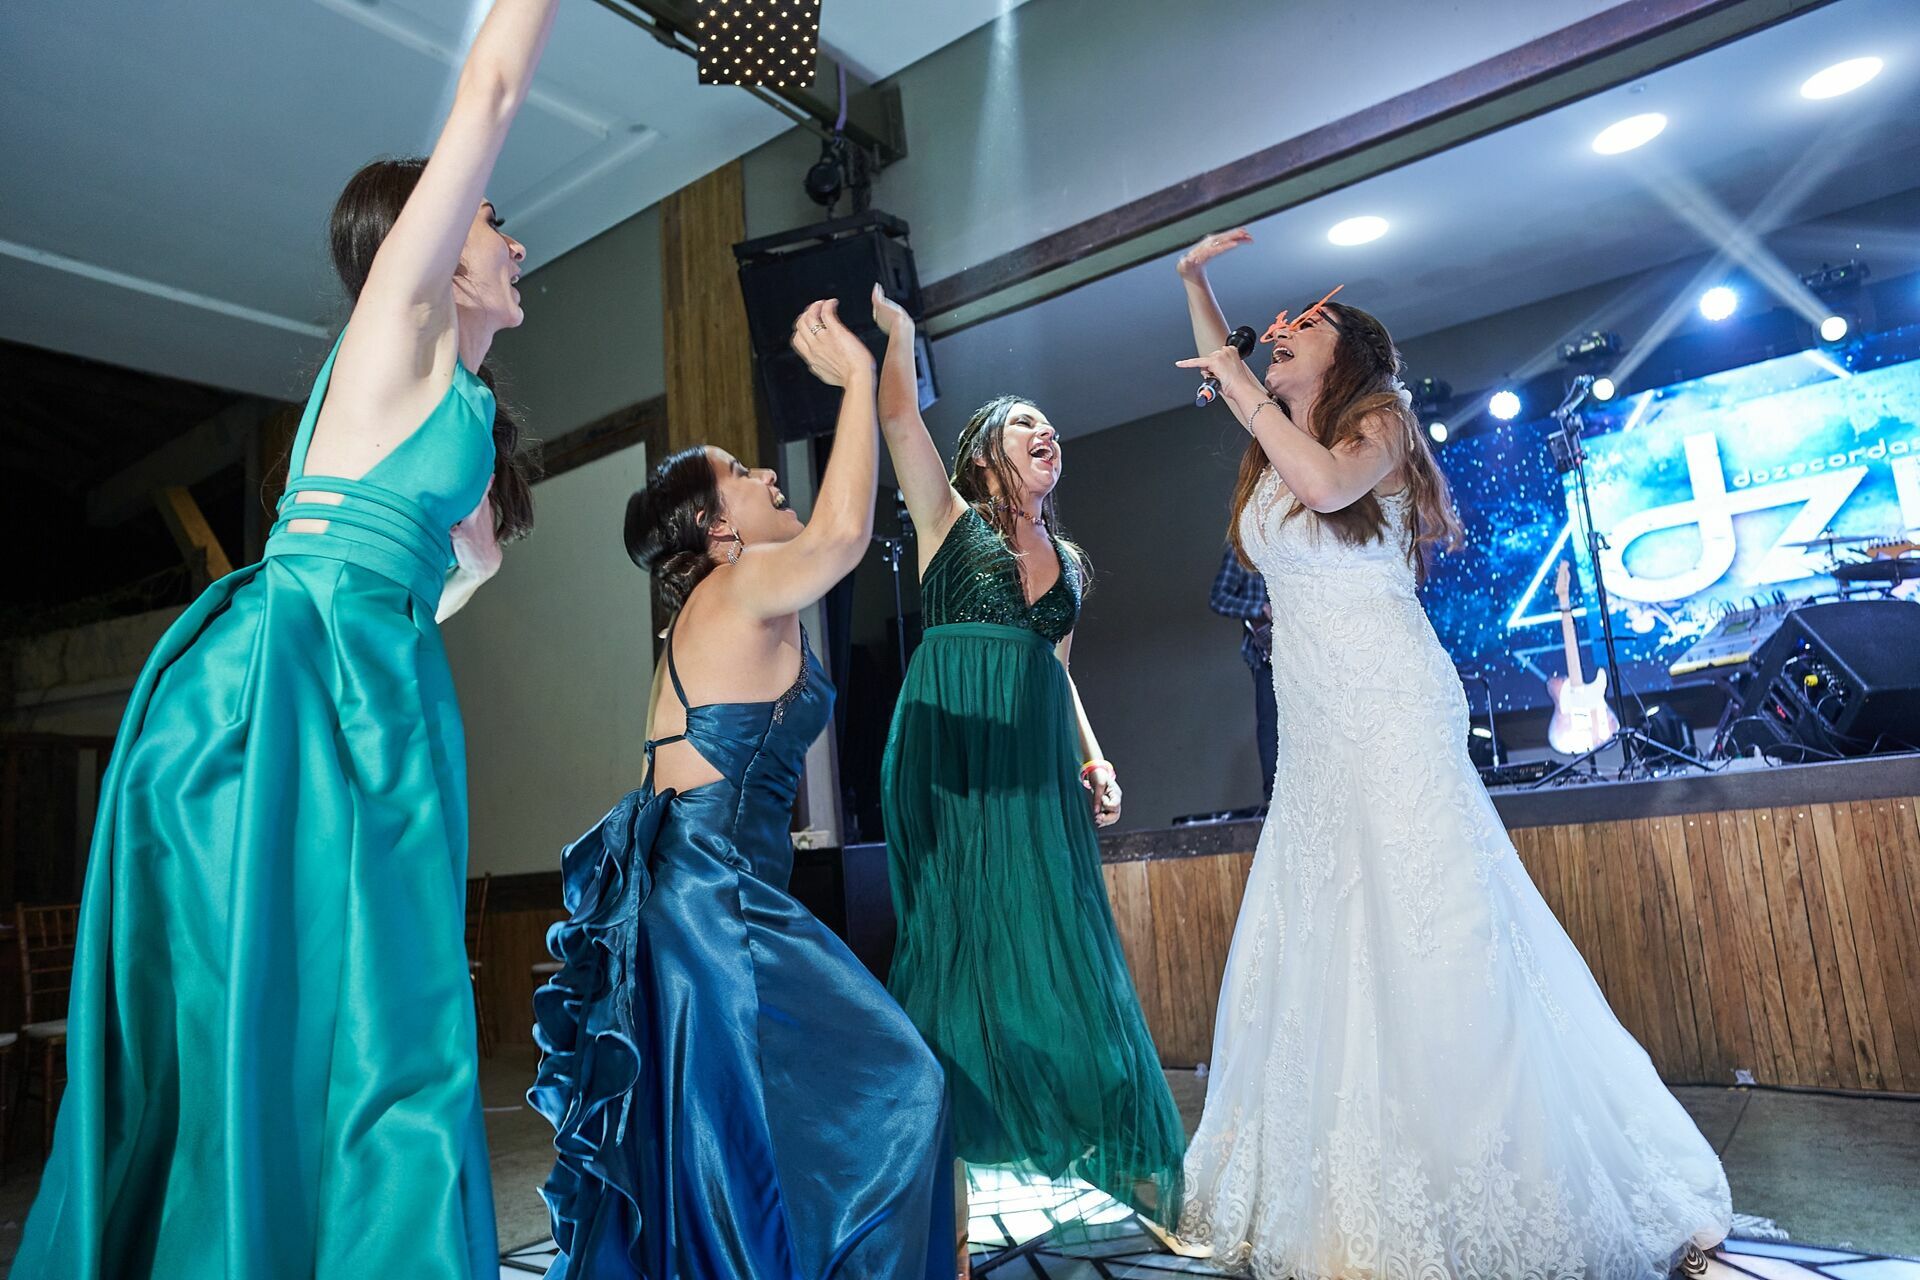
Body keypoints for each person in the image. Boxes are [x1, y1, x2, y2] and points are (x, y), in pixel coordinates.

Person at [17, 3, 557, 1274]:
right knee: (309, 1024)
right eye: (489, 219)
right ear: (428, 252)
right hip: (286, 692)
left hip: (373, 693)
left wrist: (427, 600)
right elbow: (486, 90)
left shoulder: (463, 411)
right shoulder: (398, 322)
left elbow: (456, 572)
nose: (512, 234)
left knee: (377, 1023)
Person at [1172, 228, 1729, 1279]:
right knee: (1327, 918)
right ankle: (1335, 1170)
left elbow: (1330, 490)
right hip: (1316, 719)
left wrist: (1245, 388)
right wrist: (1192, 281)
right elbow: (1236, 377)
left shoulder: (1376, 423)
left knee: (1427, 918)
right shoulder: (1271, 444)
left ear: (1346, 358)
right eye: (1276, 330)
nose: (1281, 333)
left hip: (1389, 701)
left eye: (1306, 326)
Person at [529, 299, 954, 1279]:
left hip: (707, 888)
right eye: (745, 474)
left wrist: (888, 356)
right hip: (709, 897)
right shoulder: (739, 584)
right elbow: (846, 530)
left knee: (741, 1133)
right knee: (902, 1083)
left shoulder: (742, 597)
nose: (769, 474)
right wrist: (849, 382)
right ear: (720, 529)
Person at [869, 286, 1187, 1251]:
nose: (1046, 431)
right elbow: (892, 414)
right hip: (955, 748)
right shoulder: (948, 521)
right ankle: (947, 1221)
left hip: (1037, 765)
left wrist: (1093, 755)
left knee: (1058, 947)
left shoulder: (1074, 560)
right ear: (982, 454)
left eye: (1051, 425)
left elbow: (1056, 670)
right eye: (1023, 424)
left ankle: (1116, 1159)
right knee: (957, 953)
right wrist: (897, 338)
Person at [1208, 543, 1277, 800]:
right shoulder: (1242, 548)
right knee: (1271, 725)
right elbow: (1219, 598)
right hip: (1266, 653)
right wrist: (1260, 608)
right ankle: (1273, 797)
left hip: (1306, 651)